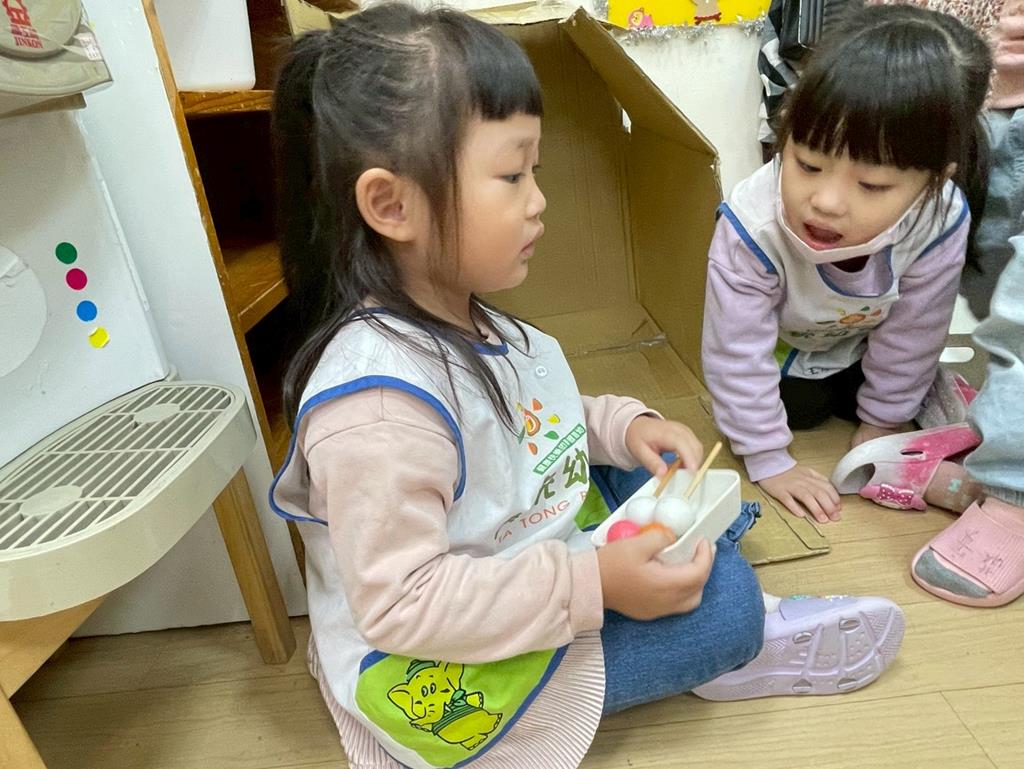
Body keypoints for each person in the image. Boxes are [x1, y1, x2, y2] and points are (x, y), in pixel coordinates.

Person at [268, 6, 904, 769]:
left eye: (535, 170)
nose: (539, 199)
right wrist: (593, 585)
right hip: (442, 654)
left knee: (660, 477)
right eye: (512, 175)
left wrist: (621, 427)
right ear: (392, 205)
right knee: (729, 608)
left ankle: (682, 564)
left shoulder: (457, 310)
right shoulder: (376, 409)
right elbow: (405, 604)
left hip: (515, 549)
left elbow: (528, 422)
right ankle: (736, 637)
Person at [702, 4, 993, 523]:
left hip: (865, 343)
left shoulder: (941, 216)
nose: (826, 202)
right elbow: (736, 350)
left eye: (872, 185)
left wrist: (883, 425)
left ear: (934, 181)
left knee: (899, 394)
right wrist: (768, 458)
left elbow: (915, 332)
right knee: (804, 411)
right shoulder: (751, 225)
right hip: (787, 349)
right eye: (808, 164)